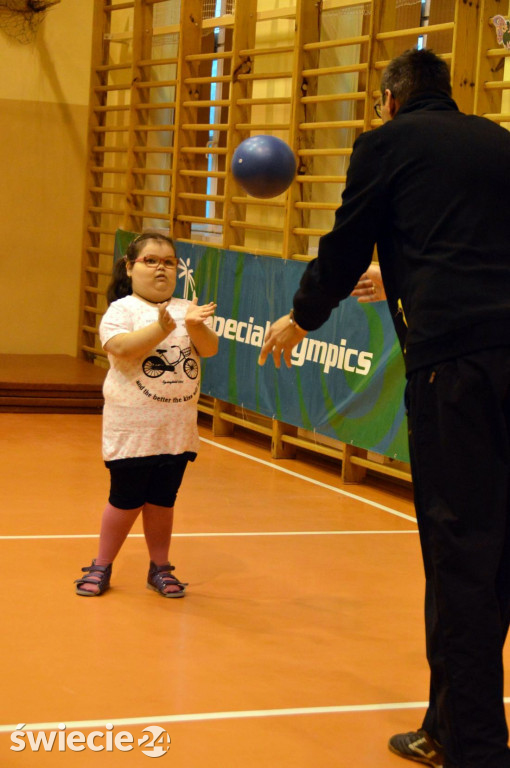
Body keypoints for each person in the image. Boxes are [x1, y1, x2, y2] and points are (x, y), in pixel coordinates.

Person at [259, 48, 510, 768]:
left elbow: (342, 246)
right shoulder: (499, 143)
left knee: (460, 557)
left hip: (454, 371)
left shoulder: (386, 144)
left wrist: (304, 315)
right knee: (498, 559)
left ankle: (476, 751)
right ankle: (448, 726)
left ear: (390, 99)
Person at [75, 232, 218, 598]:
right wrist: (161, 327)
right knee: (125, 500)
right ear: (130, 266)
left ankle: (160, 566)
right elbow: (120, 349)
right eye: (150, 260)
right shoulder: (122, 310)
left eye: (168, 262)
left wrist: (196, 326)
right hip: (133, 429)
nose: (161, 268)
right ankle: (102, 563)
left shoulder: (189, 308)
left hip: (175, 428)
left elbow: (209, 349)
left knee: (162, 501)